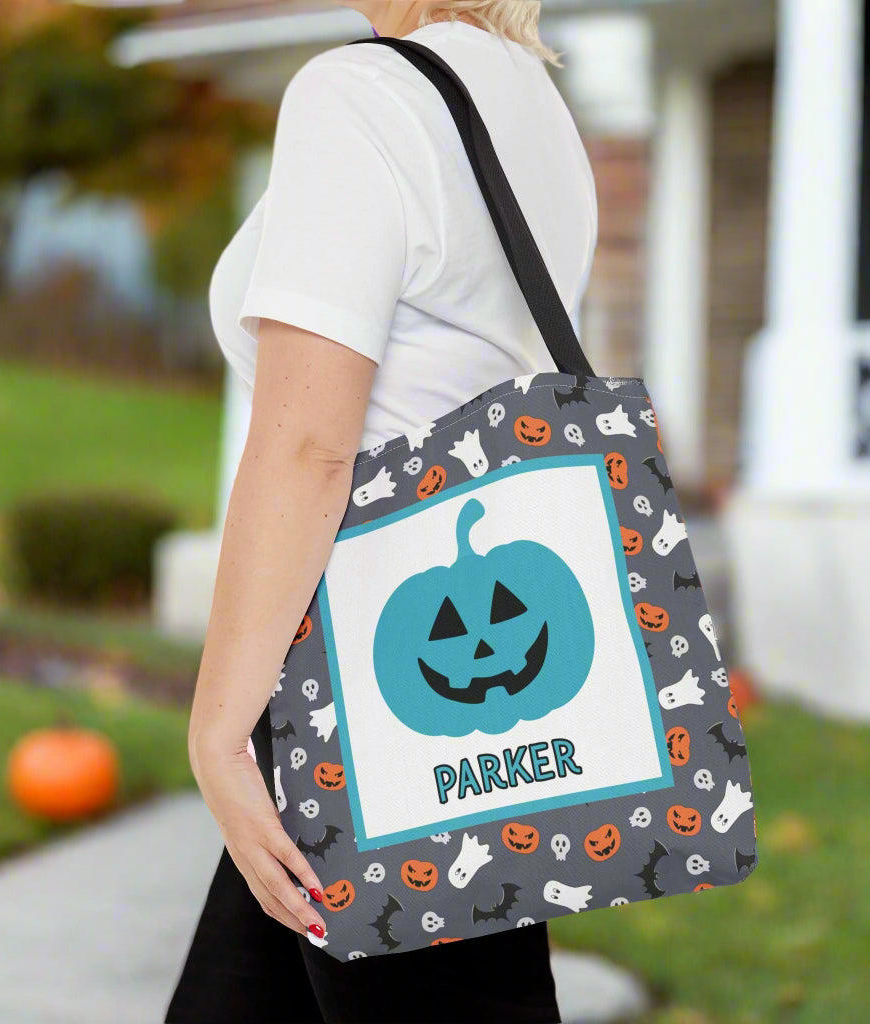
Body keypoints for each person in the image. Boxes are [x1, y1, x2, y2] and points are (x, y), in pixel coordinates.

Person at [164, 2, 597, 1020]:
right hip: (433, 693)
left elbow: (309, 445)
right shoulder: (525, 97)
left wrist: (218, 730)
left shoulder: (359, 91)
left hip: (375, 696)